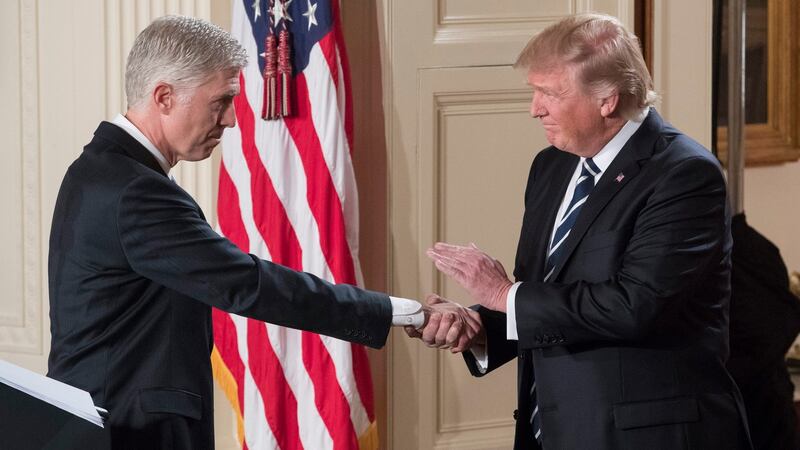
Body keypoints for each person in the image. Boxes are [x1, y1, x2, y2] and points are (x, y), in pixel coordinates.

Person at [46, 15, 445, 449]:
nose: (233, 120)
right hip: (127, 432)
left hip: (98, 421)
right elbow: (249, 284)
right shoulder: (137, 192)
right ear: (163, 96)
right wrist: (397, 311)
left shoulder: (98, 169)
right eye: (221, 101)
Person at [408, 13, 753, 450]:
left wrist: (505, 296)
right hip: (553, 429)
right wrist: (480, 325)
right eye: (535, 91)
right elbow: (550, 295)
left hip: (650, 437)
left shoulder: (684, 174)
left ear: (607, 99)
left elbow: (635, 306)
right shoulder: (551, 166)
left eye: (550, 93)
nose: (535, 108)